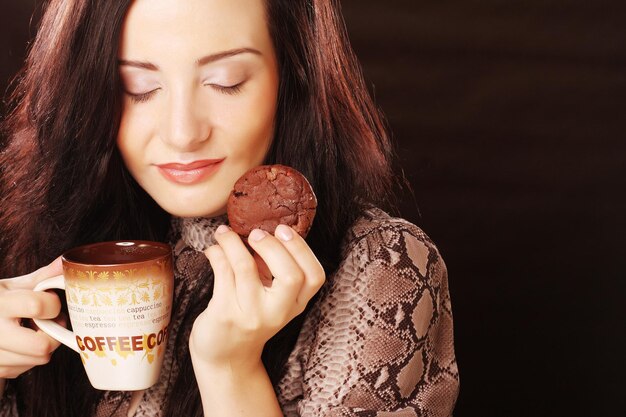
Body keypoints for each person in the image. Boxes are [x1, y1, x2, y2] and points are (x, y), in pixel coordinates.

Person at [0, 0, 459, 416]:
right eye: (137, 86)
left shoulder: (383, 265)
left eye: (226, 82)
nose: (182, 132)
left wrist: (231, 371)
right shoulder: (42, 241)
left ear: (292, 76)